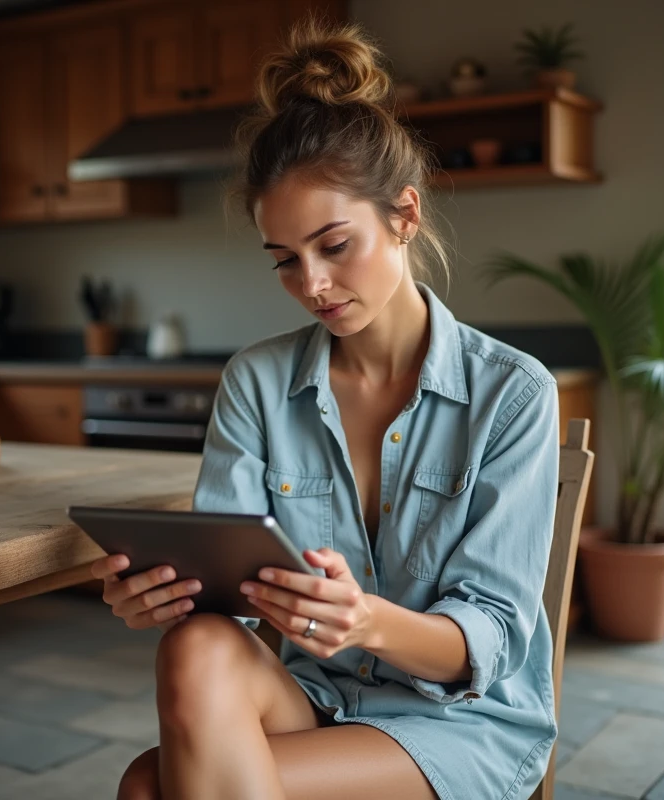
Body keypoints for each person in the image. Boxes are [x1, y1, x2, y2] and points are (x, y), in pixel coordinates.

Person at [91, 18, 560, 800]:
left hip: (462, 722)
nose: (311, 284)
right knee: (196, 646)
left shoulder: (512, 392)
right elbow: (226, 612)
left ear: (403, 216)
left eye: (334, 246)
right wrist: (165, 596)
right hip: (318, 701)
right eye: (285, 260)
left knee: (150, 789)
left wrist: (365, 619)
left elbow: (491, 640)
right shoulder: (258, 382)